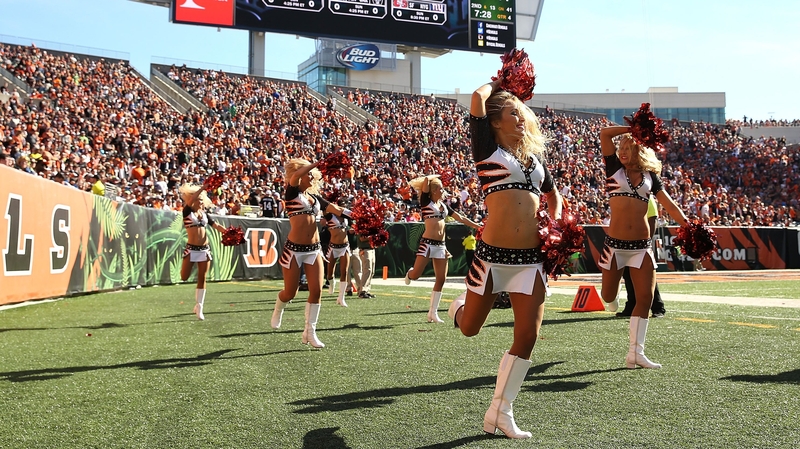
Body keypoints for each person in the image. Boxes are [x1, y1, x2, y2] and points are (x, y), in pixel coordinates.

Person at [448, 77, 562, 439]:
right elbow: (476, 97)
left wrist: (554, 222)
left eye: (521, 113)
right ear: (495, 122)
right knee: (469, 328)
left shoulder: (535, 159)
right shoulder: (487, 150)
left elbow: (554, 196)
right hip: (492, 256)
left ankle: (502, 410)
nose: (520, 118)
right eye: (513, 113)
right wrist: (501, 82)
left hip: (531, 258)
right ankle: (457, 307)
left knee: (527, 335)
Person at [598, 125, 689, 369]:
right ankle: (612, 295)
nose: (623, 152)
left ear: (640, 150)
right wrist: (633, 128)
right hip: (615, 246)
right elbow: (606, 134)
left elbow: (669, 205)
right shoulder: (614, 168)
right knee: (607, 297)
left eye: (629, 148)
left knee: (645, 298)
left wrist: (689, 225)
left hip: (641, 246)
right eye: (622, 148)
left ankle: (635, 353)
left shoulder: (651, 178)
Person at [270, 158, 349, 348]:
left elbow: (337, 209)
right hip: (294, 250)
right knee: (290, 292)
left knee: (317, 290)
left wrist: (361, 216)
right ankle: (279, 307)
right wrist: (318, 163)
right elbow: (296, 175)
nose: (313, 176)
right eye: (309, 173)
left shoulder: (315, 199)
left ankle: (309, 332)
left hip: (314, 249)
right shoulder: (291, 194)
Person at [404, 175, 481, 323]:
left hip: (441, 245)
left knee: (441, 279)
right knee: (416, 275)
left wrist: (478, 226)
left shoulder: (444, 206)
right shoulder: (426, 202)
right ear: (433, 191)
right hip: (427, 243)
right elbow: (426, 182)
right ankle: (410, 274)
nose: (443, 190)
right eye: (440, 188)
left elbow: (460, 217)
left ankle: (433, 313)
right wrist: (432, 177)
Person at [179, 183, 228, 320]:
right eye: (198, 200)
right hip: (191, 248)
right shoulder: (187, 212)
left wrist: (229, 233)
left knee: (202, 277)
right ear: (193, 201)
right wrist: (202, 188)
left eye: (202, 200)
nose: (201, 202)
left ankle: (199, 306)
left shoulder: (205, 215)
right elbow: (191, 200)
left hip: (204, 249)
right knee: (184, 276)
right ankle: (198, 305)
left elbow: (216, 226)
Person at [618, 195, 666, 318]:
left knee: (646, 276)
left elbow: (652, 218)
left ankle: (658, 307)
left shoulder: (646, 195)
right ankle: (631, 305)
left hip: (641, 242)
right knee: (628, 274)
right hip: (627, 240)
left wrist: (647, 240)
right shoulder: (627, 195)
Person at [324, 204, 353, 307]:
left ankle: (341, 297)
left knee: (344, 272)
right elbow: (325, 209)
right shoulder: (330, 216)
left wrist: (352, 230)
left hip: (344, 246)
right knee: (329, 273)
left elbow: (353, 224)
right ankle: (332, 283)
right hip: (333, 247)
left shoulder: (346, 218)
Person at [353, 233, 376, 299]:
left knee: (371, 271)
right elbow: (362, 238)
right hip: (365, 249)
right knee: (367, 270)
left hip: (371, 248)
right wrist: (374, 237)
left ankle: (366, 290)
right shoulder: (362, 225)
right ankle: (362, 291)